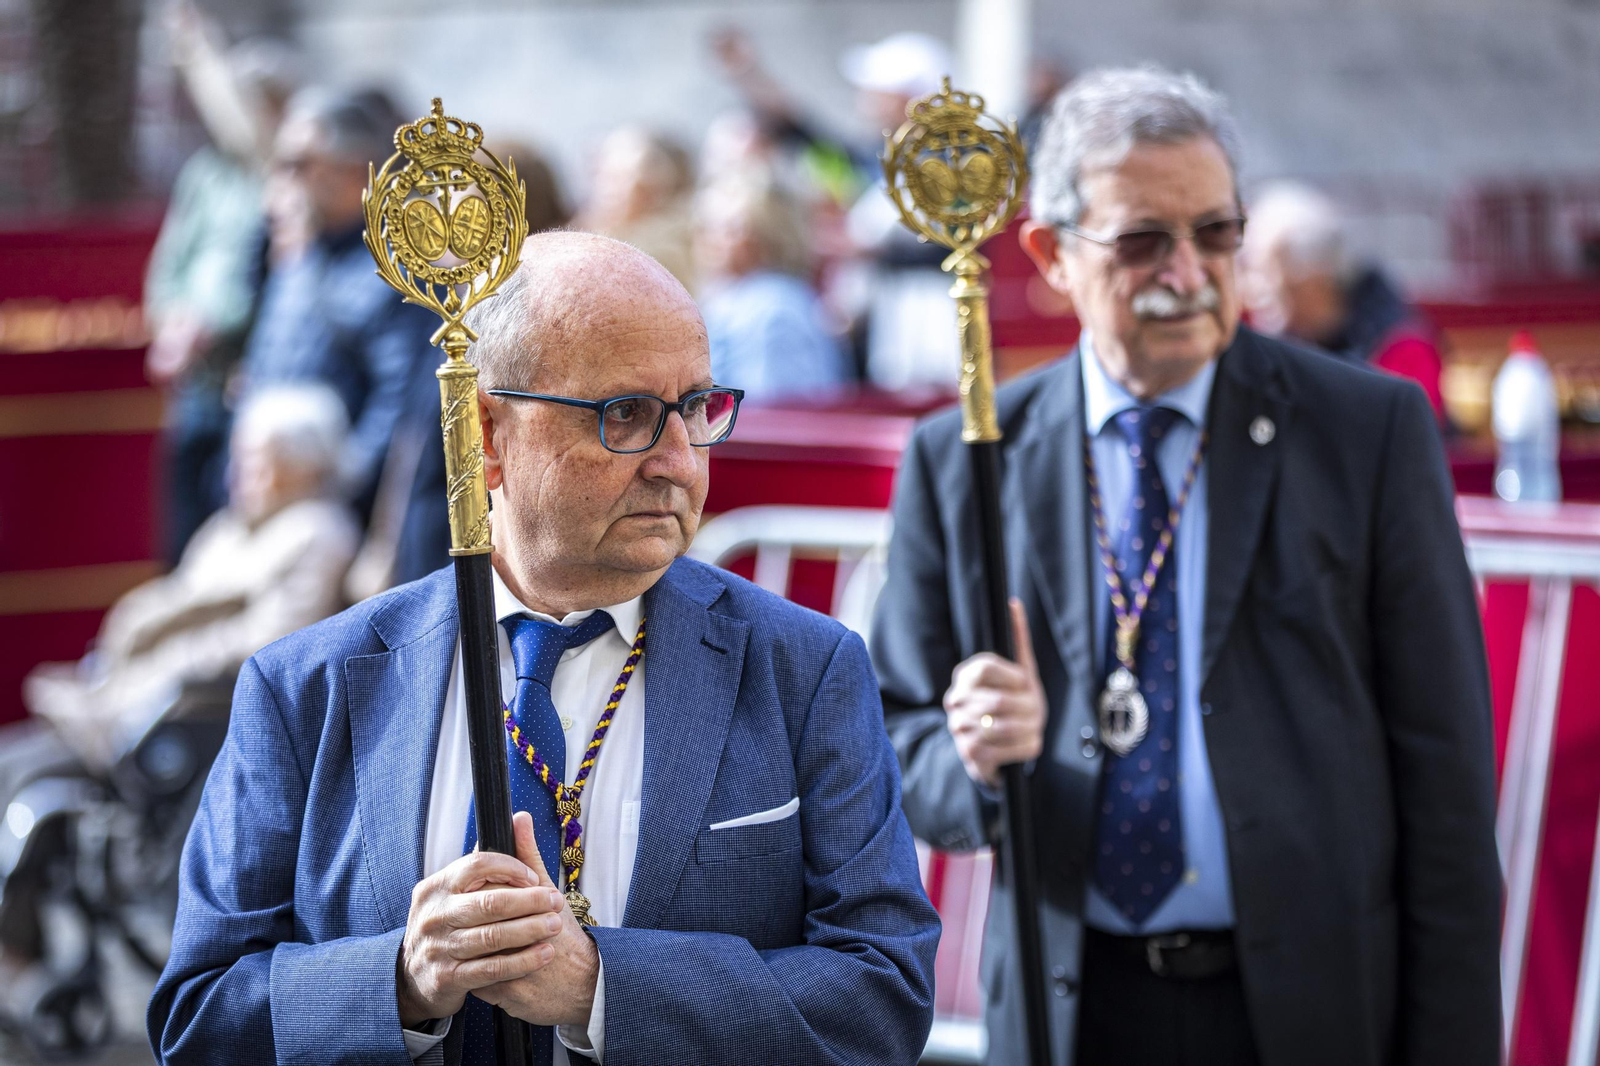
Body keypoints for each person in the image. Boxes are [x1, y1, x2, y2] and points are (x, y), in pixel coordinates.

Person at [149, 232, 939, 1066]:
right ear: (485, 435)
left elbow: (882, 995)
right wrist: (400, 984)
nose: (679, 463)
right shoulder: (308, 687)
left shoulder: (802, 670)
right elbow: (200, 1020)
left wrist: (604, 987)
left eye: (698, 407)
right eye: (625, 414)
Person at [871, 66, 1499, 1066]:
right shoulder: (962, 459)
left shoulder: (1364, 430)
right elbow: (899, 746)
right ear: (1049, 253)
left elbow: (1448, 781)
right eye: (1142, 242)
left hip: (1309, 1003)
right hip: (1070, 1002)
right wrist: (977, 756)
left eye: (1215, 233)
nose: (1188, 273)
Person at [22, 383, 360, 772]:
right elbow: (174, 598)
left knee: (26, 772)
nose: (236, 475)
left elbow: (272, 646)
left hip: (187, 711)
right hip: (134, 694)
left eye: (254, 461)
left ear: (301, 467)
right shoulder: (228, 528)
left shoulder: (319, 533)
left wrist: (163, 668)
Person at [144, 7, 302, 564]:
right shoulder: (204, 174)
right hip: (195, 384)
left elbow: (260, 284)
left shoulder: (279, 176)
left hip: (249, 379)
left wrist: (195, 45)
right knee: (183, 527)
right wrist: (171, 320)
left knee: (229, 526)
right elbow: (170, 265)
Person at [236, 87, 437, 521]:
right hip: (264, 497)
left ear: (356, 173)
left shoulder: (394, 269)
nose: (283, 179)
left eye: (299, 164)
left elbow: (399, 405)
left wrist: (344, 487)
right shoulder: (299, 259)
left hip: (327, 520)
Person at [1241, 180, 1449, 423]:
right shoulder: (1272, 346)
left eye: (1265, 271)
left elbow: (1406, 441)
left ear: (1313, 278)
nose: (1252, 289)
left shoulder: (1401, 348)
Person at [695, 173, 849, 401]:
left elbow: (771, 412)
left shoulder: (772, 309)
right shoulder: (732, 296)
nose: (710, 239)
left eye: (730, 229)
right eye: (707, 227)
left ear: (765, 236)